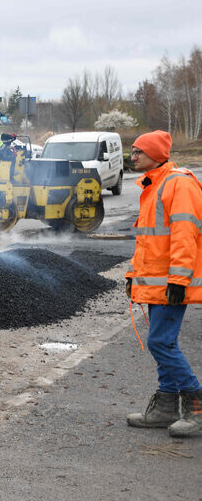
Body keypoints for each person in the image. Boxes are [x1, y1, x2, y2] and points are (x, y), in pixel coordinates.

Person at [125, 130, 202, 437]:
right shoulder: (153, 185)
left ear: (156, 155)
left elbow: (186, 235)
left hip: (172, 283)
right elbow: (147, 241)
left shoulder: (178, 184)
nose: (133, 157)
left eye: (138, 152)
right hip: (158, 282)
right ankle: (165, 408)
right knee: (162, 342)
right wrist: (133, 276)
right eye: (132, 151)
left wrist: (179, 280)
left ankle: (196, 403)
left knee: (160, 342)